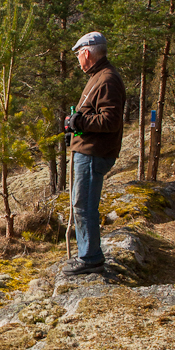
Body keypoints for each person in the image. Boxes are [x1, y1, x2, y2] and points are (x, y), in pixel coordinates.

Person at [63, 31, 126, 275]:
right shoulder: (99, 76)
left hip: (93, 153)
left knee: (84, 204)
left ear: (86, 53)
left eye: (79, 54)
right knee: (81, 203)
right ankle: (87, 254)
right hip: (88, 150)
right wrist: (76, 125)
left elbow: (110, 121)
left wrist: (80, 123)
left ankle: (90, 258)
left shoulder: (107, 79)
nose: (78, 59)